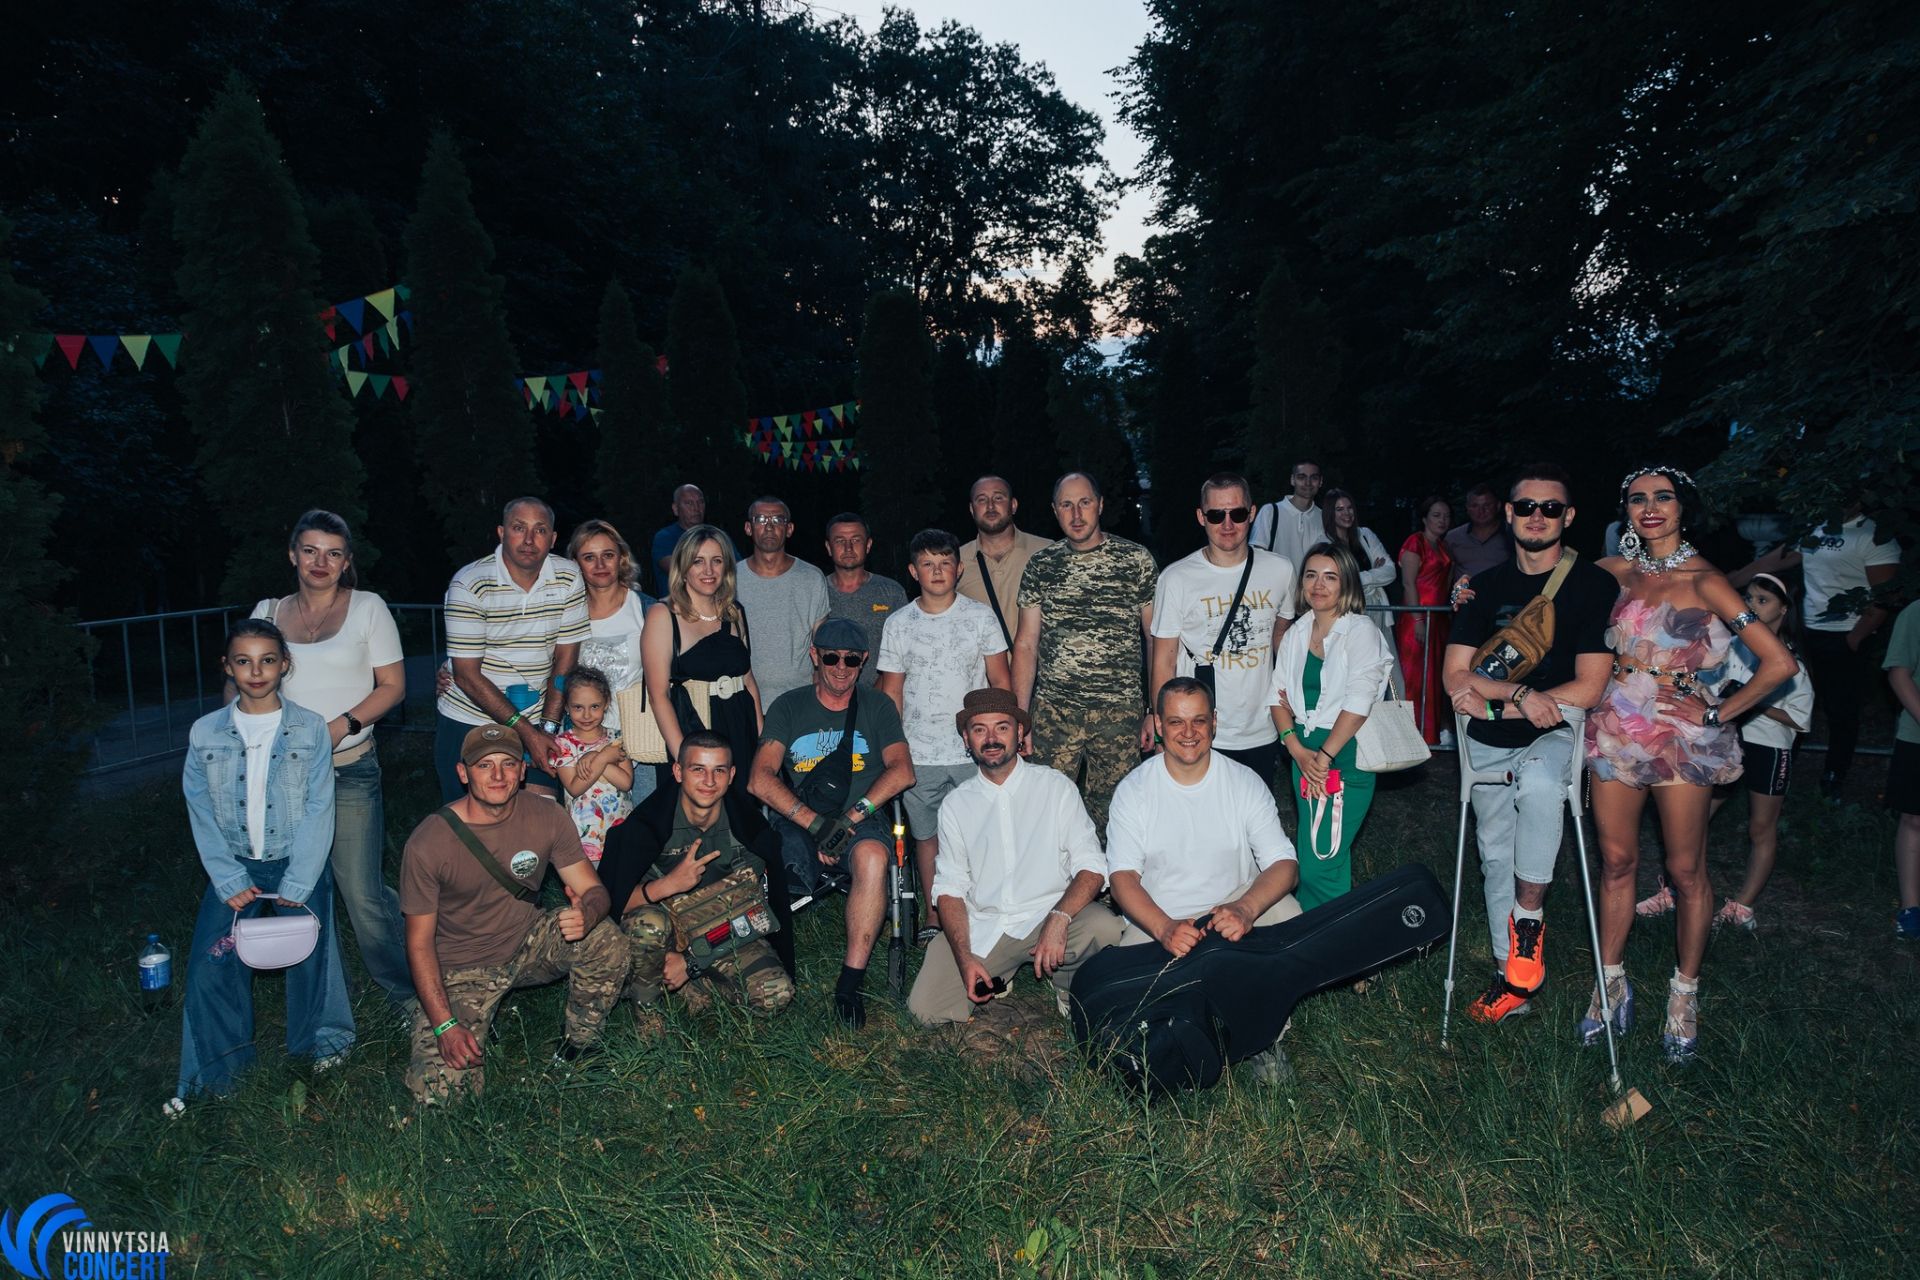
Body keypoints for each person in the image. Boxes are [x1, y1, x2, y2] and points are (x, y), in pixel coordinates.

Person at [1586, 466, 1794, 1063]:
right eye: (1637, 499)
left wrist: (1718, 711)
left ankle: (1683, 994)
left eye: (1663, 497)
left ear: (1683, 508)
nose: (1650, 507)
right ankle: (1610, 984)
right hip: (1615, 727)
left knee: (1684, 869)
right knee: (1617, 861)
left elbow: (1779, 663)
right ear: (1626, 511)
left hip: (1681, 735)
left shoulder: (1708, 581)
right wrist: (1467, 591)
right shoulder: (1610, 571)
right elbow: (1536, 592)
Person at [1441, 464, 1615, 1023]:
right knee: (1496, 855)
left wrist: (1498, 699)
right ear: (1508, 513)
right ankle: (1509, 982)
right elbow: (1455, 677)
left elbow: (1589, 687)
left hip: (1558, 730)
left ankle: (1529, 920)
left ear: (1568, 516)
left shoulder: (1591, 585)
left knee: (1541, 785)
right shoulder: (1482, 587)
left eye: (1550, 508)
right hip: (1490, 736)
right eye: (1525, 507)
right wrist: (1518, 695)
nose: (1536, 516)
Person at [169, 620, 352, 1115]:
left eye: (267, 660)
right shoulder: (205, 731)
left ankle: (320, 1045)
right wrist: (226, 876)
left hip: (297, 860)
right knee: (210, 968)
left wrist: (302, 877)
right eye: (244, 661)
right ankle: (216, 1072)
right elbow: (199, 807)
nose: (256, 671)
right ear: (227, 667)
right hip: (234, 865)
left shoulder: (310, 728)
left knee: (314, 955)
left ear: (284, 665)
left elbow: (320, 804)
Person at [400, 724, 629, 1102]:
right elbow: (419, 944)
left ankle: (581, 1047)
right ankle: (460, 1019)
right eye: (484, 765)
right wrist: (444, 1026)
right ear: (463, 773)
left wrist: (588, 913)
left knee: (605, 938)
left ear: (523, 771)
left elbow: (594, 891)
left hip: (526, 942)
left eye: (508, 764)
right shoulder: (429, 842)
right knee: (440, 1095)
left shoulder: (547, 816)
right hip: (461, 968)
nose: (498, 775)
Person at [248, 510, 415, 1018]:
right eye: (310, 550)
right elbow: (240, 687)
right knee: (297, 888)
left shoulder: (368, 608)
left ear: (346, 562)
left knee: (362, 893)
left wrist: (341, 726)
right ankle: (320, 1001)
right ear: (293, 555)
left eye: (333, 553)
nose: (320, 562)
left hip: (349, 770)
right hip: (283, 777)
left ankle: (408, 995)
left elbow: (393, 686)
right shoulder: (268, 612)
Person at [1105, 677, 1303, 1081]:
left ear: (1214, 721)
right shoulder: (1134, 791)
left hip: (1229, 907)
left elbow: (1285, 863)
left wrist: (1246, 908)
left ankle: (1264, 1037)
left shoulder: (1243, 782)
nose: (1189, 732)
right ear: (1158, 726)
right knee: (1131, 1002)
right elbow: (1122, 878)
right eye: (1176, 722)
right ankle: (1179, 1037)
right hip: (1162, 916)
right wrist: (1164, 928)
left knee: (1285, 911)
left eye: (1198, 720)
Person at [908, 688, 1124, 1025]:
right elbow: (949, 887)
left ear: (1019, 732)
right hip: (985, 925)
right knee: (927, 1011)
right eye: (979, 729)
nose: (991, 738)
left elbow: (1093, 866)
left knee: (1104, 927)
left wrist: (1059, 917)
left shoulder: (1055, 787)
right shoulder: (956, 805)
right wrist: (964, 957)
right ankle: (998, 971)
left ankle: (1067, 982)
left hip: (1048, 914)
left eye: (1002, 727)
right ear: (966, 738)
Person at [749, 618, 916, 1028]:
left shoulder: (877, 706)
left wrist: (847, 820)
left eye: (851, 660)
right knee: (775, 859)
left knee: (874, 857)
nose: (841, 668)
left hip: (860, 816)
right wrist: (816, 826)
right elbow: (759, 779)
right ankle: (767, 969)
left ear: (864, 661)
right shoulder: (789, 705)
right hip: (801, 816)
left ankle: (849, 984)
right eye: (831, 658)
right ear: (814, 656)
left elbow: (902, 771)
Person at [877, 529, 1013, 943]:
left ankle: (985, 910)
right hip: (919, 753)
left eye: (944, 563)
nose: (937, 571)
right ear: (912, 571)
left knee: (981, 833)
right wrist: (893, 750)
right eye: (927, 564)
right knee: (927, 837)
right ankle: (936, 914)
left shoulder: (981, 617)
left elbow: (1000, 680)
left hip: (974, 752)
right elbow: (891, 692)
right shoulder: (899, 624)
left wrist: (1006, 735)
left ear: (959, 568)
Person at [600, 732, 797, 1017]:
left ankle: (697, 984)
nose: (709, 781)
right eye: (698, 769)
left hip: (721, 930)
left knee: (775, 994)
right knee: (647, 925)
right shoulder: (647, 828)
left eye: (719, 771)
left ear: (731, 776)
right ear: (678, 772)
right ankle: (648, 1011)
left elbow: (755, 916)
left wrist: (692, 961)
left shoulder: (749, 832)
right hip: (662, 932)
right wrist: (668, 885)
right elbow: (611, 903)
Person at [1013, 472, 1158, 833]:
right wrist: (1020, 717)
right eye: (1066, 505)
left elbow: (1154, 638)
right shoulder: (1041, 566)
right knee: (1047, 813)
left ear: (1100, 505)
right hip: (1054, 714)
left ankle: (1110, 872)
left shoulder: (1135, 560)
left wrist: (1155, 710)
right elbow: (1027, 643)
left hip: (1119, 713)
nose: (1076, 514)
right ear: (1055, 511)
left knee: (1116, 816)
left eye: (1084, 503)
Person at [1732, 505, 1901, 799]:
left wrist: (1855, 638)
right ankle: (1783, 767)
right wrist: (1722, 584)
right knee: (1794, 699)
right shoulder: (1815, 528)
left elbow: (1886, 595)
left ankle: (1833, 777)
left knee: (1840, 710)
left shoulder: (1873, 535)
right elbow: (1774, 560)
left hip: (1845, 634)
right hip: (1807, 630)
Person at [1679, 574, 1813, 932]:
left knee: (1760, 827)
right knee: (1693, 819)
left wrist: (1753, 701)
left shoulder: (1790, 661)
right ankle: (1683, 888)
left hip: (1769, 746)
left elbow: (1800, 720)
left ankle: (1743, 906)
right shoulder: (1731, 648)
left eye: (1763, 600)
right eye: (1749, 598)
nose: (1752, 605)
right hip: (1725, 743)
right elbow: (1707, 690)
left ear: (1783, 610)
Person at [1269, 543, 1398, 910]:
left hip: (1344, 757)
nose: (1318, 585)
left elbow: (1358, 704)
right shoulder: (1296, 633)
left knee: (1321, 861)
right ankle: (1316, 931)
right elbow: (1275, 697)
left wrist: (1323, 758)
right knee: (1315, 855)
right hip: (1303, 756)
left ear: (1347, 584)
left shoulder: (1360, 631)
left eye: (1330, 577)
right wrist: (1295, 748)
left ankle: (1328, 936)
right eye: (1311, 575)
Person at [435, 497, 587, 803]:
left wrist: (547, 728)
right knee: (474, 822)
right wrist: (528, 733)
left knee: (539, 818)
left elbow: (565, 660)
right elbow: (466, 676)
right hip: (469, 718)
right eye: (519, 528)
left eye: (540, 530)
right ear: (502, 533)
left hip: (538, 719)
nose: (529, 539)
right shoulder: (470, 583)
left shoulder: (568, 577)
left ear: (553, 539)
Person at [1150, 472, 1296, 780]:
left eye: (1237, 514)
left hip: (1262, 727)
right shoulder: (1176, 578)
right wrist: (1162, 730)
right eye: (1216, 515)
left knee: (1254, 808)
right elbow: (1163, 662)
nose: (1227, 524)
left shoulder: (1280, 570)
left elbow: (1282, 636)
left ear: (1252, 513)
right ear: (1201, 517)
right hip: (1198, 731)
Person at [639, 525, 762, 805]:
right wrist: (685, 761)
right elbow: (658, 695)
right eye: (698, 561)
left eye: (716, 561)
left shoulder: (734, 612)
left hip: (740, 729)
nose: (708, 570)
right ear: (683, 568)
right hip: (693, 731)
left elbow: (749, 681)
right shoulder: (662, 614)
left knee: (744, 816)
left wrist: (762, 746)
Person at [735, 496, 830, 708]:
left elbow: (821, 643)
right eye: (761, 519)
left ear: (789, 529)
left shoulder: (811, 578)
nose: (769, 526)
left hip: (799, 699)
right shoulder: (730, 578)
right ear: (748, 528)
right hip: (742, 699)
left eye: (778, 520)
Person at [956, 474, 1052, 652]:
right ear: (971, 509)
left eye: (998, 498)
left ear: (1013, 505)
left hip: (1037, 668)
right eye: (981, 500)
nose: (990, 506)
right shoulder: (954, 562)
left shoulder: (1046, 552)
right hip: (981, 670)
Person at [552, 666, 635, 865]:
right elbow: (575, 787)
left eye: (595, 706)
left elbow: (626, 783)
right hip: (585, 838)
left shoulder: (617, 739)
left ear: (606, 703)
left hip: (620, 831)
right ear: (566, 707)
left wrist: (598, 757)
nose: (587, 715)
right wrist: (604, 757)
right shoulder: (562, 744)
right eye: (578, 707)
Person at [822, 512, 909, 686]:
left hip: (882, 694)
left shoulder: (891, 592)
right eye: (839, 541)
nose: (848, 548)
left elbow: (904, 652)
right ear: (829, 547)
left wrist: (874, 697)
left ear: (868, 545)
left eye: (856, 540)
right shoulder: (816, 592)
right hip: (827, 695)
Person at [1397, 495, 1455, 746]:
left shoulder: (1443, 546)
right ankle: (1409, 737)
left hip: (1438, 620)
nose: (1442, 520)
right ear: (1424, 518)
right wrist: (1418, 618)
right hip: (1418, 618)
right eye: (1436, 515)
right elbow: (1408, 583)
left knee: (1434, 678)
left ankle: (1431, 734)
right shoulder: (1415, 542)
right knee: (1415, 677)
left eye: (1446, 516)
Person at [1322, 488, 1398, 644]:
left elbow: (1391, 571)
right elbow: (1336, 583)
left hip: (1377, 611)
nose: (1347, 513)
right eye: (1339, 509)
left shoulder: (1365, 535)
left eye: (1349, 508)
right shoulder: (1323, 544)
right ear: (1330, 513)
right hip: (1346, 614)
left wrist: (1359, 577)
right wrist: (1375, 573)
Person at [1886, 599, 1920, 940]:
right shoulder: (1915, 613)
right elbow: (1899, 673)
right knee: (1914, 819)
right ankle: (1911, 908)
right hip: (1917, 734)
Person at [1250, 458, 1325, 575]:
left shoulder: (1324, 517)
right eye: (1301, 477)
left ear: (1320, 482)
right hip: (1276, 584)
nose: (1308, 483)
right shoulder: (1271, 512)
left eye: (1314, 478)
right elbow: (1257, 554)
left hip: (1312, 585)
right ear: (1292, 480)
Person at [1445, 483, 1512, 583]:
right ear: (1467, 508)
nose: (1481, 511)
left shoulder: (1512, 534)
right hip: (1464, 592)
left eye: (1487, 505)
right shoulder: (1453, 538)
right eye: (1475, 506)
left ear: (1498, 506)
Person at [650, 484, 706, 594]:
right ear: (675, 509)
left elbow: (737, 568)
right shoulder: (665, 537)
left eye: (700, 502)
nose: (696, 508)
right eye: (689, 503)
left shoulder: (716, 536)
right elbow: (681, 570)